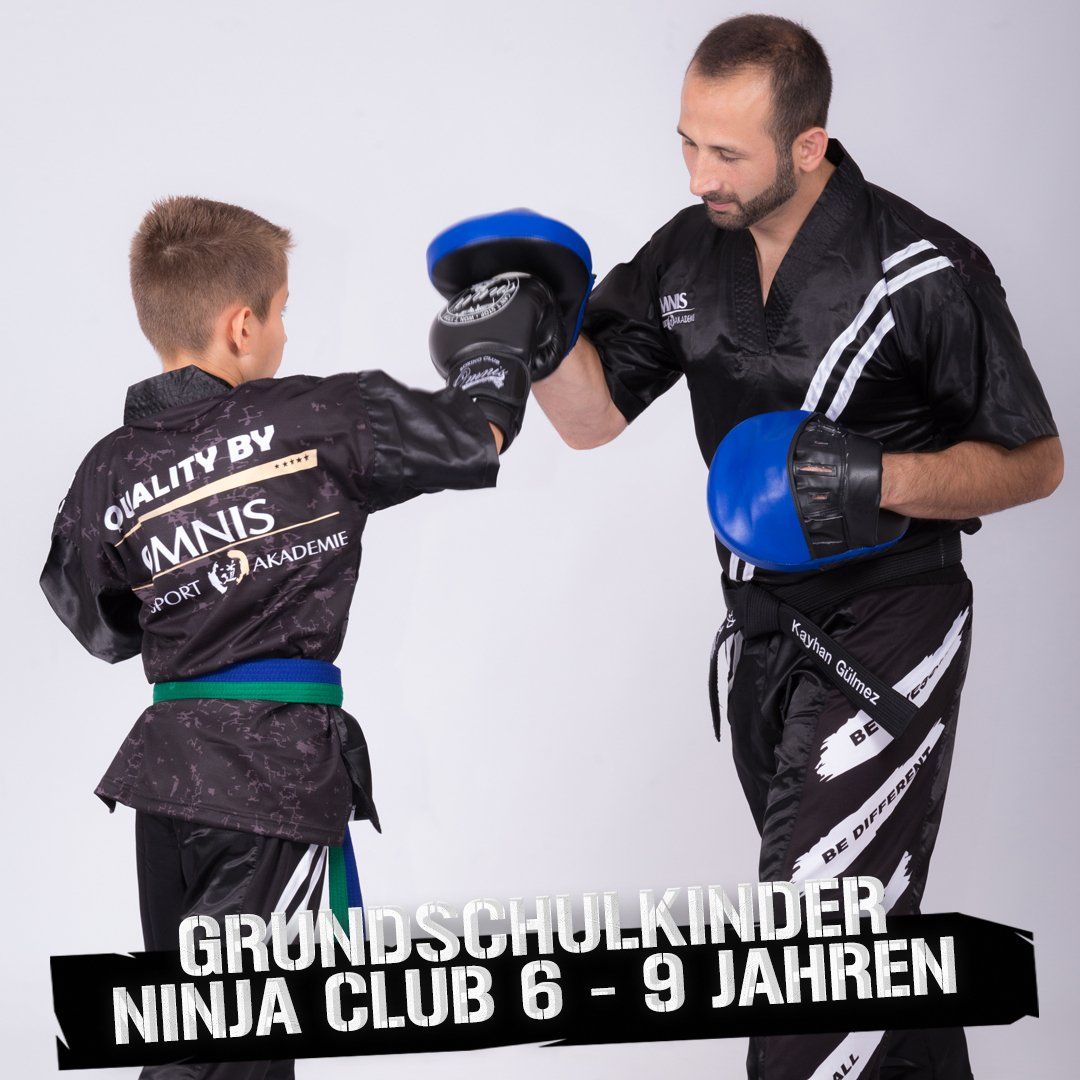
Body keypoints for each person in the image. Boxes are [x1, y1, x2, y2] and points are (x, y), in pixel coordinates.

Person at [527, 14, 1062, 1080]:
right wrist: (537, 343)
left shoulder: (920, 268)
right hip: (760, 630)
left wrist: (877, 478)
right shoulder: (689, 249)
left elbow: (1034, 460)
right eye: (687, 143)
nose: (699, 176)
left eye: (727, 153)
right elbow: (593, 419)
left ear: (809, 145)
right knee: (867, 931)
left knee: (814, 934)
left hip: (891, 622)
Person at [39, 195, 558, 1079]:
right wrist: (497, 348)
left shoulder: (105, 473)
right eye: (282, 311)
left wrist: (190, 589)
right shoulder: (321, 417)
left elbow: (98, 624)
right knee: (227, 1054)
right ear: (242, 326)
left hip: (165, 784)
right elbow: (476, 434)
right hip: (267, 785)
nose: (285, 330)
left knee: (191, 1035)